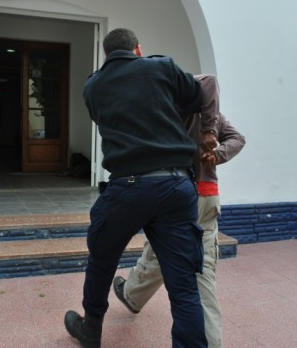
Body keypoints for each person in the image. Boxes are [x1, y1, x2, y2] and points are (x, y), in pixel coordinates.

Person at [64, 28, 219, 348]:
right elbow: (200, 92)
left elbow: (104, 117)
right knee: (184, 283)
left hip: (127, 188)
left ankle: (91, 330)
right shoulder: (162, 67)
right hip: (176, 185)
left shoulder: (93, 86)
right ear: (138, 49)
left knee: (101, 260)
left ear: (106, 56)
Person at [113, 74, 246, 348]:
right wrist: (217, 154)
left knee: (162, 252)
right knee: (201, 266)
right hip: (207, 197)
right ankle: (133, 296)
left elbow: (207, 80)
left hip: (174, 195)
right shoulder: (215, 116)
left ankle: (132, 295)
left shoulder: (173, 112)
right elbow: (237, 138)